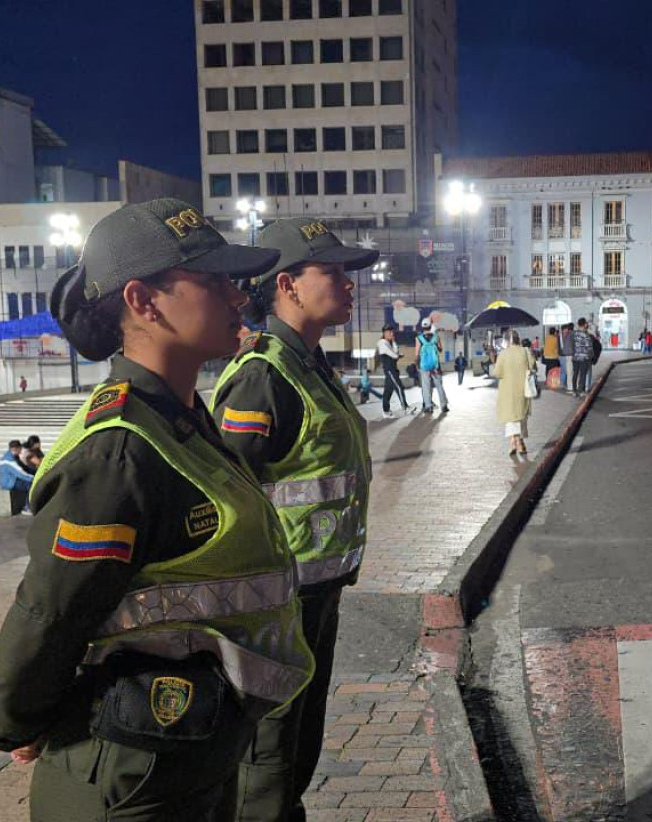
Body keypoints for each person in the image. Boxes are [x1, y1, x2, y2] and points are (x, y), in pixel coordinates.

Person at [0, 199, 313, 822]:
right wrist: (9, 719)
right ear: (143, 301)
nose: (239, 298)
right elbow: (51, 609)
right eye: (213, 281)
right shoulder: (118, 450)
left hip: (187, 749)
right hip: (128, 771)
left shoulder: (181, 422)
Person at [211, 217, 375, 822]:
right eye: (332, 272)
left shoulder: (308, 363)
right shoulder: (264, 376)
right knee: (269, 762)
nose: (350, 284)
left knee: (297, 752)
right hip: (276, 601)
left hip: (314, 592)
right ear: (288, 284)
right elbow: (229, 496)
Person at [493, 329, 535, 455]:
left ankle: (515, 441)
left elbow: (497, 373)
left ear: (507, 341)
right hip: (523, 390)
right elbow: (533, 367)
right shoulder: (525, 351)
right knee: (521, 417)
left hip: (507, 392)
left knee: (511, 418)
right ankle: (518, 441)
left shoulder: (503, 354)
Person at [376, 323, 415, 419]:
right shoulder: (382, 343)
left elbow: (395, 354)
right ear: (384, 333)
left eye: (392, 332)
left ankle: (386, 411)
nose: (391, 333)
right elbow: (394, 355)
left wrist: (393, 342)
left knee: (388, 391)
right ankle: (405, 407)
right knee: (399, 387)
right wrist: (397, 354)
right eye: (389, 332)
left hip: (393, 369)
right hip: (389, 370)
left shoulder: (389, 342)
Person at [416, 319, 448, 414]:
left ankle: (428, 406)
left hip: (424, 366)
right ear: (430, 326)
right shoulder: (436, 337)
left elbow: (416, 353)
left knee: (426, 386)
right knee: (439, 385)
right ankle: (444, 405)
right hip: (435, 366)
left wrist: (417, 364)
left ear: (422, 327)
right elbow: (440, 349)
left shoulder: (418, 338)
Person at [0, 439, 34, 516]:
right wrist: (34, 478)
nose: (21, 451)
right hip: (9, 482)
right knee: (31, 485)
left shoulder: (9, 455)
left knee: (28, 482)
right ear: (17, 449)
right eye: (20, 449)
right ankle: (27, 508)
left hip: (11, 479)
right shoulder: (9, 461)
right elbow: (21, 474)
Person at [571, 317, 594, 398]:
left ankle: (574, 390)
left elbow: (572, 345)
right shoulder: (586, 335)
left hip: (575, 357)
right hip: (584, 358)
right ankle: (580, 391)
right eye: (586, 323)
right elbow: (589, 347)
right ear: (584, 324)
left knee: (575, 374)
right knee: (582, 375)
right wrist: (591, 356)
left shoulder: (574, 334)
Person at [558, 322, 575, 391]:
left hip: (567, 355)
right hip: (563, 355)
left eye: (567, 329)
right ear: (563, 330)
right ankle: (565, 384)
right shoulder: (562, 336)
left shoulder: (568, 335)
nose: (567, 330)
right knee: (565, 370)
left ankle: (567, 384)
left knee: (568, 371)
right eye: (566, 329)